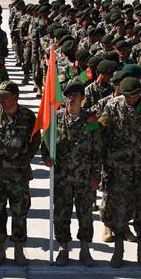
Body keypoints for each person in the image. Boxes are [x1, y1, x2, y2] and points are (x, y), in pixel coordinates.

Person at [98, 76, 141, 268]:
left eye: (135, 96)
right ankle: (118, 250)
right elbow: (102, 133)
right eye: (128, 96)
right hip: (119, 170)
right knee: (119, 211)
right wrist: (105, 162)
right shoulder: (112, 107)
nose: (132, 100)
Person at [43, 79, 102, 266]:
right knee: (61, 214)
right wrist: (47, 157)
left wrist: (95, 176)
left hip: (84, 179)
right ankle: (63, 248)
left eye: (75, 96)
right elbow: (45, 143)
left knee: (85, 215)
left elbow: (97, 150)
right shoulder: (57, 118)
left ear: (83, 99)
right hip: (62, 178)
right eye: (69, 96)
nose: (71, 99)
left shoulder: (90, 121)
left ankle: (85, 249)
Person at [0, 81, 40, 266]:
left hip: (19, 176)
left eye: (5, 96)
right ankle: (0, 250)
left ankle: (18, 250)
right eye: (0, 96)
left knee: (19, 214)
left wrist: (24, 159)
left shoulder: (27, 117)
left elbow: (35, 141)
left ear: (15, 96)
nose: (2, 99)